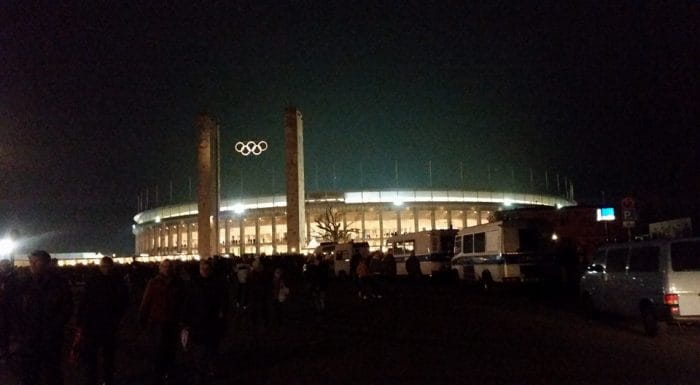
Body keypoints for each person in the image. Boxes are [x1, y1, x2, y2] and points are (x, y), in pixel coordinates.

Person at [17, 250, 73, 385]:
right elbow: (18, 305)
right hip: (31, 335)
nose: (32, 265)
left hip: (50, 335)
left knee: (51, 370)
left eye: (35, 262)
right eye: (31, 261)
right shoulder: (26, 282)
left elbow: (66, 308)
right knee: (30, 370)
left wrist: (55, 327)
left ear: (46, 263)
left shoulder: (59, 283)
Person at [76, 256, 129, 385]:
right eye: (103, 266)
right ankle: (95, 378)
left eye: (107, 266)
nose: (105, 269)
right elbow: (84, 301)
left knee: (108, 355)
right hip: (95, 323)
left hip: (108, 323)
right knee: (95, 355)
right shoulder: (114, 281)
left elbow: (123, 302)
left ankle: (106, 378)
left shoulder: (115, 282)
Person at [181, 259, 229, 385]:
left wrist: (223, 314)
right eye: (203, 269)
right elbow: (187, 302)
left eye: (207, 269)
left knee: (213, 348)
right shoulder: (193, 283)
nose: (205, 271)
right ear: (200, 269)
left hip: (213, 321)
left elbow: (224, 301)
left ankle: (211, 369)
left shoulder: (217, 283)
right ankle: (201, 372)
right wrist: (185, 321)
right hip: (199, 322)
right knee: (200, 349)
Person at [139, 259, 184, 385]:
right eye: (164, 267)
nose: (167, 269)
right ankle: (159, 371)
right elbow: (146, 301)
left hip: (173, 321)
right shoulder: (153, 283)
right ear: (160, 268)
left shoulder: (178, 283)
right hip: (158, 321)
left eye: (169, 267)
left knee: (171, 348)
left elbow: (183, 301)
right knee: (159, 348)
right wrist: (142, 318)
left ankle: (168, 371)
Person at [0, 259, 18, 361]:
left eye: (4, 265)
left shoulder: (14, 277)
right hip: (3, 306)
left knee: (6, 329)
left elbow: (15, 292)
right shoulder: (3, 276)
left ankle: (6, 351)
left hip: (10, 307)